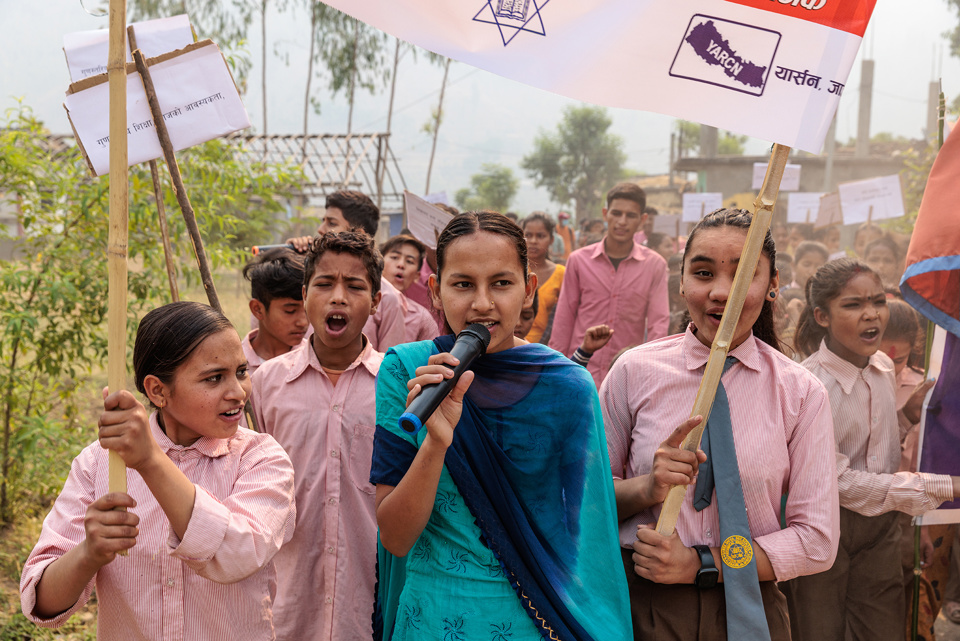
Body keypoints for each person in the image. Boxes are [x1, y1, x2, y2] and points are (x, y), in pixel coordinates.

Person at [371, 211, 631, 641]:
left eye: (501, 283)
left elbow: (581, 540)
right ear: (435, 291)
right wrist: (436, 443)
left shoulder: (568, 387)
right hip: (435, 618)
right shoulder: (407, 372)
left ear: (529, 290)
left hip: (539, 620)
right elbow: (396, 538)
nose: (482, 303)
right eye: (463, 284)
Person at [601, 208, 839, 640]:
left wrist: (702, 564)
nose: (721, 292)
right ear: (681, 281)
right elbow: (582, 502)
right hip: (642, 605)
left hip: (753, 607)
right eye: (703, 272)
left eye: (745, 274)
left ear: (772, 285)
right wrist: (647, 487)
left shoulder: (802, 392)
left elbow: (817, 540)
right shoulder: (632, 372)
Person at [20, 302, 296, 639]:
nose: (238, 392)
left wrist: (150, 460)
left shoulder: (261, 459)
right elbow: (42, 605)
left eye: (241, 371)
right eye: (214, 378)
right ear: (158, 391)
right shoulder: (100, 464)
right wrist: (88, 553)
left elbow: (237, 553)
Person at [783, 258, 960, 641]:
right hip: (825, 527)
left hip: (880, 530)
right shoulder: (810, 385)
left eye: (878, 302)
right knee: (819, 629)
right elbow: (836, 480)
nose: (871, 315)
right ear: (822, 316)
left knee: (883, 629)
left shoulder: (881, 366)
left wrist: (905, 417)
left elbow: (874, 447)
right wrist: (944, 486)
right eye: (853, 305)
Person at [252, 230, 384, 641]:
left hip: (369, 598)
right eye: (325, 284)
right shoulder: (266, 384)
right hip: (286, 599)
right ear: (306, 294)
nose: (338, 297)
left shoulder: (396, 386)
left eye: (355, 286)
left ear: (376, 301)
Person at [550, 183, 669, 388]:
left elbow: (658, 323)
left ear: (642, 220)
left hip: (627, 377)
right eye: (616, 213)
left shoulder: (655, 265)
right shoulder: (579, 260)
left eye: (630, 215)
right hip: (579, 370)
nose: (622, 221)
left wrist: (652, 371)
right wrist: (555, 370)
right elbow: (564, 317)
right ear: (606, 214)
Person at [288, 190, 406, 352]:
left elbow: (389, 365)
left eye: (332, 223)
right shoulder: (305, 278)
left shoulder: (389, 298)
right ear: (305, 294)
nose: (321, 229)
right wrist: (289, 261)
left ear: (358, 235)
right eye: (324, 284)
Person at [241, 247, 309, 375]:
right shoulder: (235, 364)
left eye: (307, 310)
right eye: (290, 311)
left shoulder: (315, 361)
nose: (303, 322)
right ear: (258, 309)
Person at [381, 234, 441, 343]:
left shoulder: (422, 318)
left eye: (409, 261)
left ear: (416, 276)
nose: (401, 265)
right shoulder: (362, 303)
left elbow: (432, 356)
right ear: (380, 262)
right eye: (394, 257)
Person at [521, 212, 565, 344]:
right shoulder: (512, 269)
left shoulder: (561, 273)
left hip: (548, 346)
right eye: (528, 235)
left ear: (552, 239)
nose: (533, 241)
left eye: (540, 236)